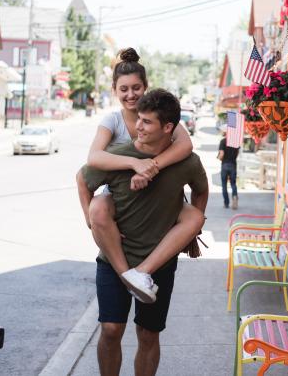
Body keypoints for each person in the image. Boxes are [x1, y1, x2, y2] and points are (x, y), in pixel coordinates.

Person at [79, 89, 209, 376]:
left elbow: (201, 190)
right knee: (111, 329)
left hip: (159, 265)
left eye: (147, 122)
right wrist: (95, 224)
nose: (138, 126)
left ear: (167, 128)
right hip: (115, 261)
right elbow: (83, 180)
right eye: (138, 119)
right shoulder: (117, 156)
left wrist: (191, 235)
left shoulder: (187, 162)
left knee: (148, 334)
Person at [75, 48, 204, 303]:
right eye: (123, 89)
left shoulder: (162, 115)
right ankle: (127, 275)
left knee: (195, 217)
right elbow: (93, 159)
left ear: (145, 87)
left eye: (136, 88)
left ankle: (140, 274)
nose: (130, 94)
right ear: (114, 90)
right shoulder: (112, 121)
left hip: (161, 197)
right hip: (122, 196)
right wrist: (134, 163)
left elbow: (185, 146)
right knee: (98, 206)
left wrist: (152, 166)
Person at [218, 129, 239, 209]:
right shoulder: (235, 142)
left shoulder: (223, 141)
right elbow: (237, 153)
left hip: (225, 165)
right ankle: (234, 197)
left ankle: (226, 203)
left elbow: (222, 154)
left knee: (224, 185)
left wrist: (220, 158)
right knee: (233, 183)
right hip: (233, 164)